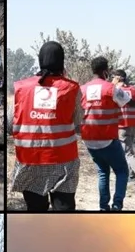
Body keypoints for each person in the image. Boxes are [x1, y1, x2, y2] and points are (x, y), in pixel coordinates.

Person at [10, 41, 82, 211]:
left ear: (40, 60)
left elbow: (10, 123)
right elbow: (78, 122)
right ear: (61, 62)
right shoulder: (72, 88)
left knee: (35, 210)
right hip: (63, 162)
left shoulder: (21, 88)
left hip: (29, 160)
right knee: (63, 211)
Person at [80, 57, 135, 211]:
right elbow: (132, 103)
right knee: (122, 171)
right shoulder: (110, 88)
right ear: (105, 71)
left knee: (102, 172)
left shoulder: (82, 89)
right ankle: (117, 205)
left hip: (89, 140)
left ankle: (103, 206)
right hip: (107, 139)